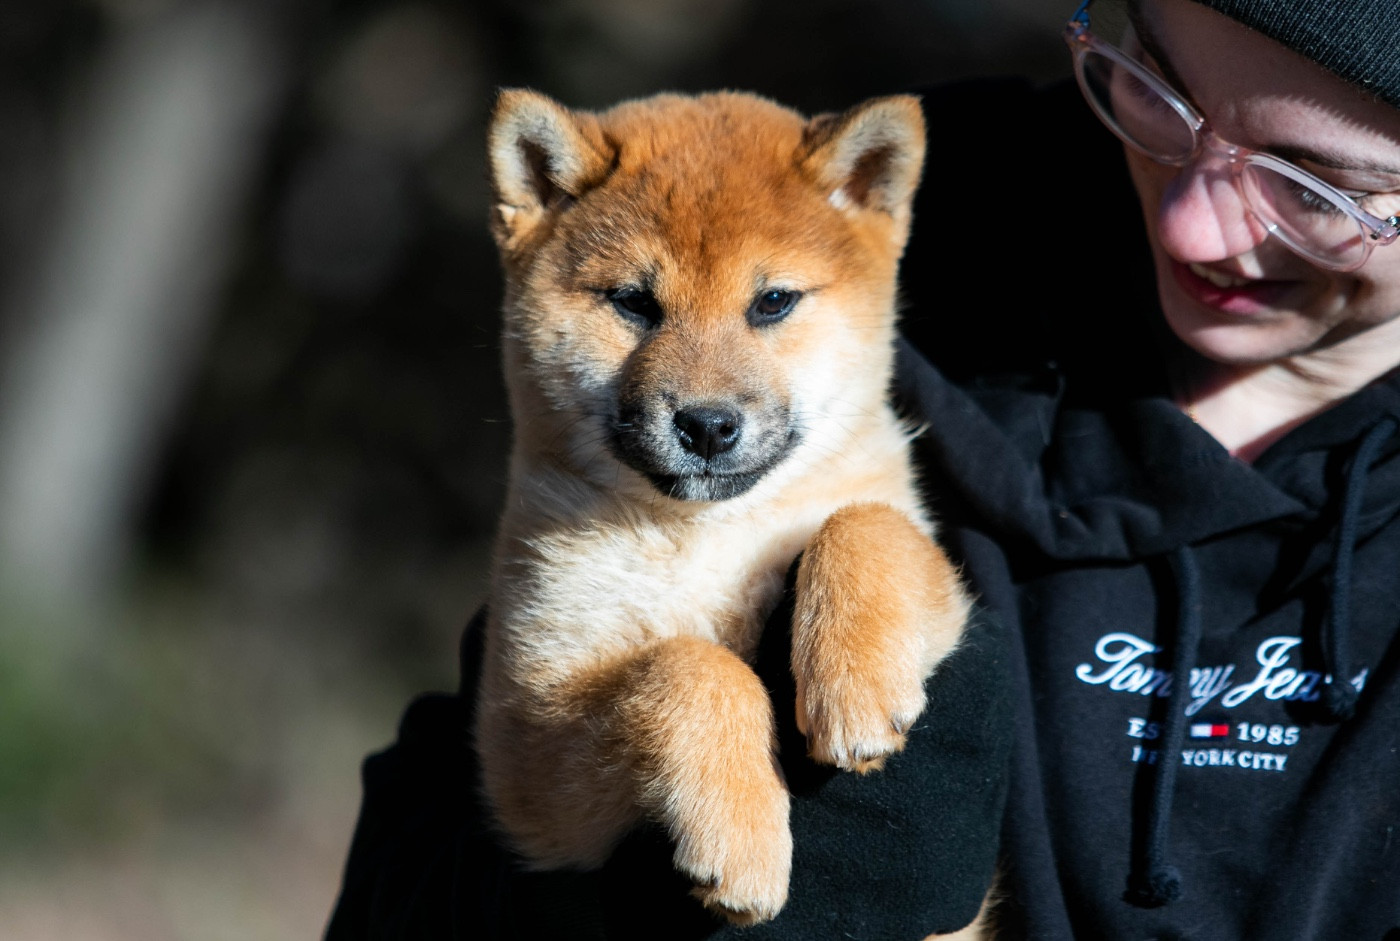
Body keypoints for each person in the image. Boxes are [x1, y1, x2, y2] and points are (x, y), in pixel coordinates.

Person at [324, 0, 1400, 937]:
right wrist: (622, 914)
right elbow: (430, 855)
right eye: (1157, 93)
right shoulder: (888, 235)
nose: (1192, 221)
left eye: (1315, 186)